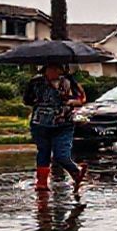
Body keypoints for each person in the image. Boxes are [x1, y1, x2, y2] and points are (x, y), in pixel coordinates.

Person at [23, 63, 88, 192]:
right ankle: (41, 182)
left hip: (63, 124)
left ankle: (76, 172)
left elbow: (81, 98)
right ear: (45, 69)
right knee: (43, 152)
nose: (54, 71)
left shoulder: (69, 81)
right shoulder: (36, 82)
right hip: (40, 123)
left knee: (61, 155)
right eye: (51, 68)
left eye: (57, 68)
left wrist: (73, 102)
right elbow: (27, 100)